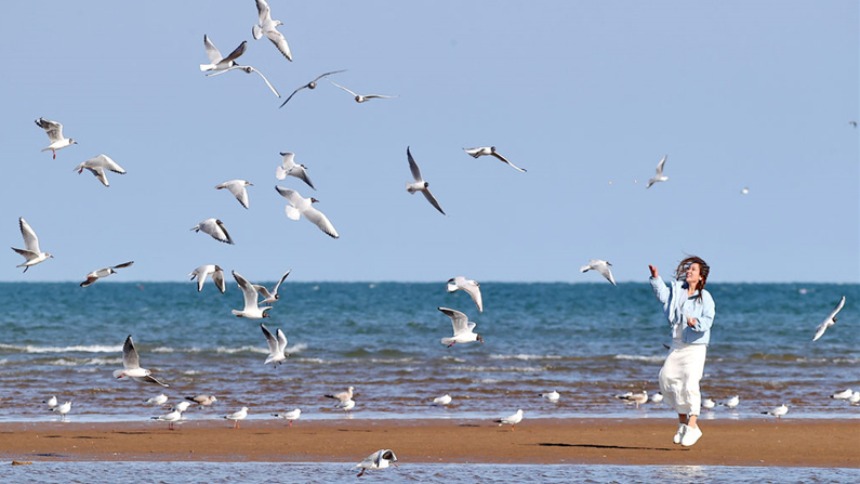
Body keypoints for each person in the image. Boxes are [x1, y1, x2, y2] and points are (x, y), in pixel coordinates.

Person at [649, 256, 715, 447]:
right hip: (677, 344)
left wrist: (696, 323)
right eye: (688, 269)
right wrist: (655, 278)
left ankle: (693, 425)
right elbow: (663, 296)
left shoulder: (706, 297)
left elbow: (709, 320)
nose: (689, 272)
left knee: (690, 384)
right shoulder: (678, 290)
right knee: (667, 378)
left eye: (693, 270)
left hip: (695, 346)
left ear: (701, 277)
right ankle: (682, 423)